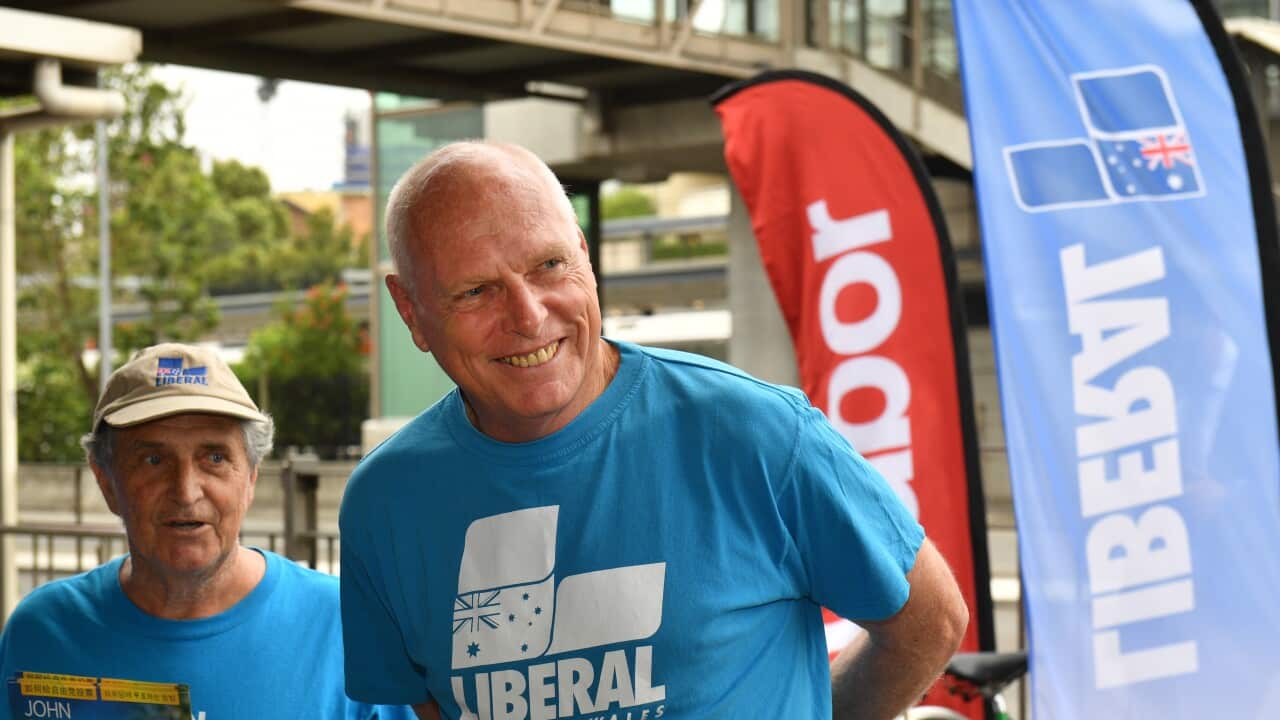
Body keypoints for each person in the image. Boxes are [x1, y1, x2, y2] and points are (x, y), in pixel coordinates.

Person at [340, 141, 968, 720]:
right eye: (477, 291)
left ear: (584, 256)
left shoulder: (754, 432)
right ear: (410, 311)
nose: (529, 316)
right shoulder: (385, 502)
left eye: (549, 265)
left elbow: (929, 622)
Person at [0, 343, 413, 720]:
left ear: (250, 477)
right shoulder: (43, 633)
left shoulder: (347, 626)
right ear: (106, 482)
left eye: (214, 457)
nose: (186, 491)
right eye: (153, 460)